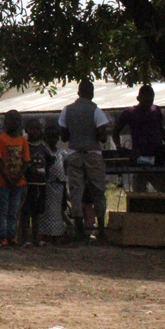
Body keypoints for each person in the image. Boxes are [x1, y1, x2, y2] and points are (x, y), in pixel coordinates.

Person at [59, 80, 109, 240]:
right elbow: (102, 137)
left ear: (78, 92)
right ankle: (101, 229)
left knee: (76, 191)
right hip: (92, 153)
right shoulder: (96, 111)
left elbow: (64, 135)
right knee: (98, 190)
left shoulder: (67, 110)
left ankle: (79, 231)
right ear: (92, 93)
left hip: (74, 152)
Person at [112, 85, 165, 193]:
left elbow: (161, 129)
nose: (148, 104)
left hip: (157, 158)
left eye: (151, 101)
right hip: (139, 158)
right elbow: (115, 131)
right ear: (138, 99)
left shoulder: (156, 110)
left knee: (164, 192)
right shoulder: (129, 113)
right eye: (146, 101)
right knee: (138, 192)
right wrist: (119, 146)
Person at [0, 110, 30, 246]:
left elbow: (26, 162)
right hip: (4, 182)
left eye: (15, 120)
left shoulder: (23, 141)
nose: (11, 123)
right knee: (3, 209)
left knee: (14, 210)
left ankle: (12, 236)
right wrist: (7, 179)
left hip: (19, 183)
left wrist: (17, 178)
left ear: (19, 122)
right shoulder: (0, 139)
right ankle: (2, 236)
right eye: (9, 120)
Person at [19, 119, 50, 246]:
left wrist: (45, 173)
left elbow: (51, 158)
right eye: (32, 128)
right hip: (27, 183)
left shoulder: (43, 145)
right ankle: (23, 238)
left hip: (41, 184)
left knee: (37, 213)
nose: (35, 131)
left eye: (37, 129)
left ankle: (36, 237)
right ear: (26, 130)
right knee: (25, 212)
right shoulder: (24, 144)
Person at [38, 124, 68, 244]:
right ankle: (45, 235)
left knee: (57, 213)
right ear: (44, 137)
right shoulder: (43, 151)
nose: (52, 139)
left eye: (54, 137)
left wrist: (64, 188)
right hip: (46, 186)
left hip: (59, 187)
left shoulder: (62, 153)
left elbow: (65, 170)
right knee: (45, 212)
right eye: (49, 137)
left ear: (58, 138)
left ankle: (56, 235)